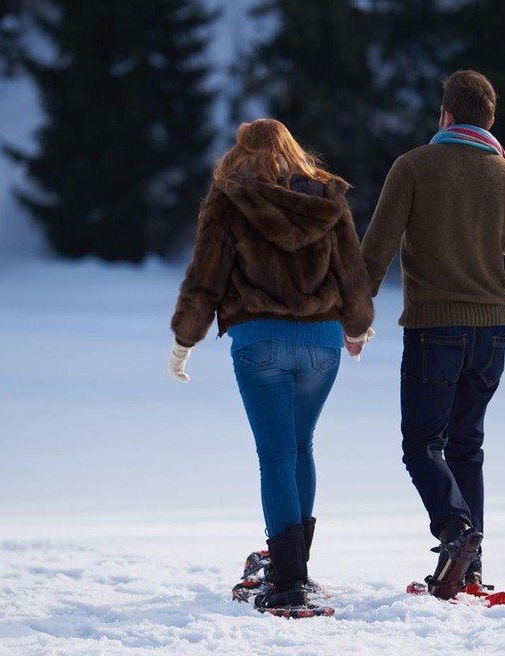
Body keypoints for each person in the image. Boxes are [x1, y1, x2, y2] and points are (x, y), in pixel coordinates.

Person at [360, 70, 505, 599]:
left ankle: (455, 533)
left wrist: (355, 317)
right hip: (493, 335)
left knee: (422, 444)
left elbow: (375, 250)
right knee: (466, 446)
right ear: (490, 120)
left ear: (445, 115)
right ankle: (468, 570)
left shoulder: (414, 166)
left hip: (433, 331)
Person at [168, 119, 374, 612]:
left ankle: (287, 584)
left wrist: (184, 340)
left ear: (241, 153)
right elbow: (353, 272)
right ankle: (294, 570)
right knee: (301, 447)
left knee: (277, 454)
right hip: (322, 345)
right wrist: (357, 325)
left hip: (259, 341)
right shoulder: (328, 197)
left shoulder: (229, 198)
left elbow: (205, 276)